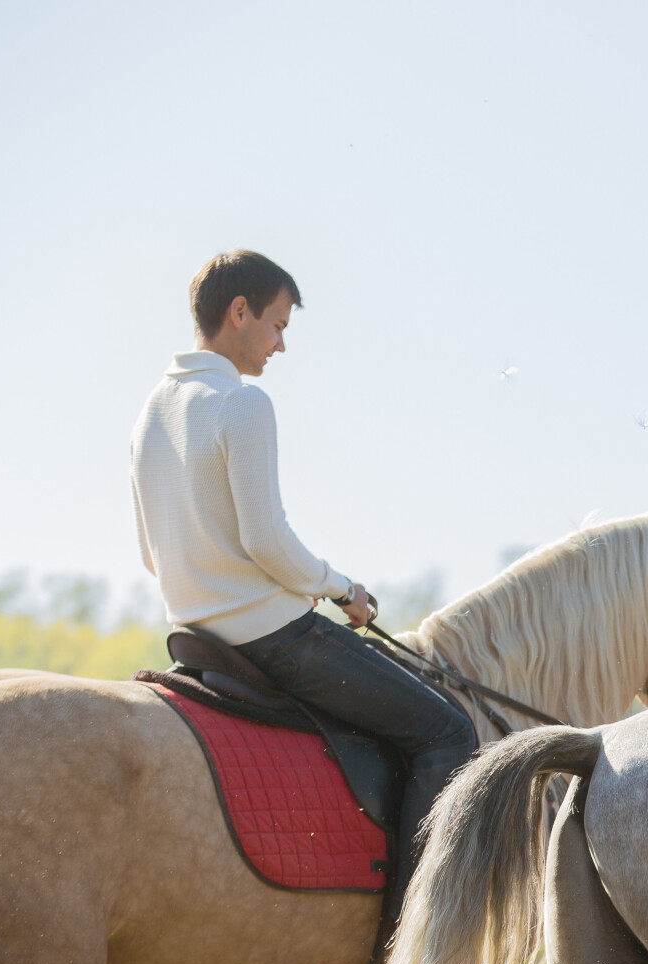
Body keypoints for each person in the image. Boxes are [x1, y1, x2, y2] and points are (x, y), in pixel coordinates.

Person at [129, 249, 475, 915]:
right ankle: (416, 937)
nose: (281, 344)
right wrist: (342, 588)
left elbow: (151, 553)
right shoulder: (242, 403)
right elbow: (266, 539)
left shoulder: (151, 411)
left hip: (191, 639)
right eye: (277, 325)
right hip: (273, 638)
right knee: (447, 732)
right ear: (239, 313)